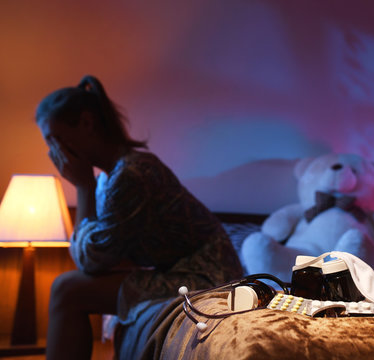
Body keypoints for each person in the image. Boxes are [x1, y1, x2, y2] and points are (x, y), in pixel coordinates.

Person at [35, 75, 243, 360]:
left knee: (66, 290)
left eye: (54, 140)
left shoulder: (132, 174)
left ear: (86, 122)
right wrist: (87, 187)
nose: (53, 153)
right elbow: (95, 259)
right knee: (69, 286)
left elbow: (91, 260)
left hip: (207, 276)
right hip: (176, 270)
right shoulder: (111, 178)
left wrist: (83, 186)